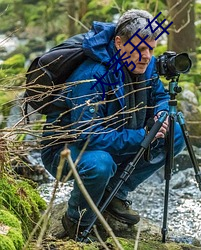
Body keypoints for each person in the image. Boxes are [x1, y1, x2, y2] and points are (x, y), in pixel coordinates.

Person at [41, 9, 185, 241]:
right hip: (67, 150)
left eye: (152, 49)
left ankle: (115, 193)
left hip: (116, 136)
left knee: (175, 132)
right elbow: (87, 135)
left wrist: (161, 114)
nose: (147, 56)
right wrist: (142, 135)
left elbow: (159, 96)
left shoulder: (145, 64)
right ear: (119, 43)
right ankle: (76, 221)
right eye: (140, 48)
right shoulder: (92, 75)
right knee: (100, 164)